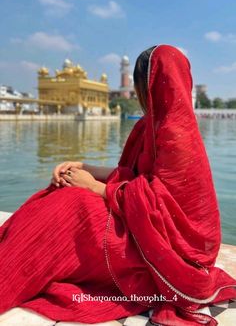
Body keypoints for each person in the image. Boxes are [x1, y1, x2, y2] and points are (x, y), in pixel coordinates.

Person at [0, 44, 236, 326]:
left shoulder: (177, 134)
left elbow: (164, 202)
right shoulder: (148, 125)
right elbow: (133, 174)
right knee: (61, 193)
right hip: (143, 226)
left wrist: (97, 188)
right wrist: (84, 168)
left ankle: (9, 276)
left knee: (74, 207)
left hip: (169, 249)